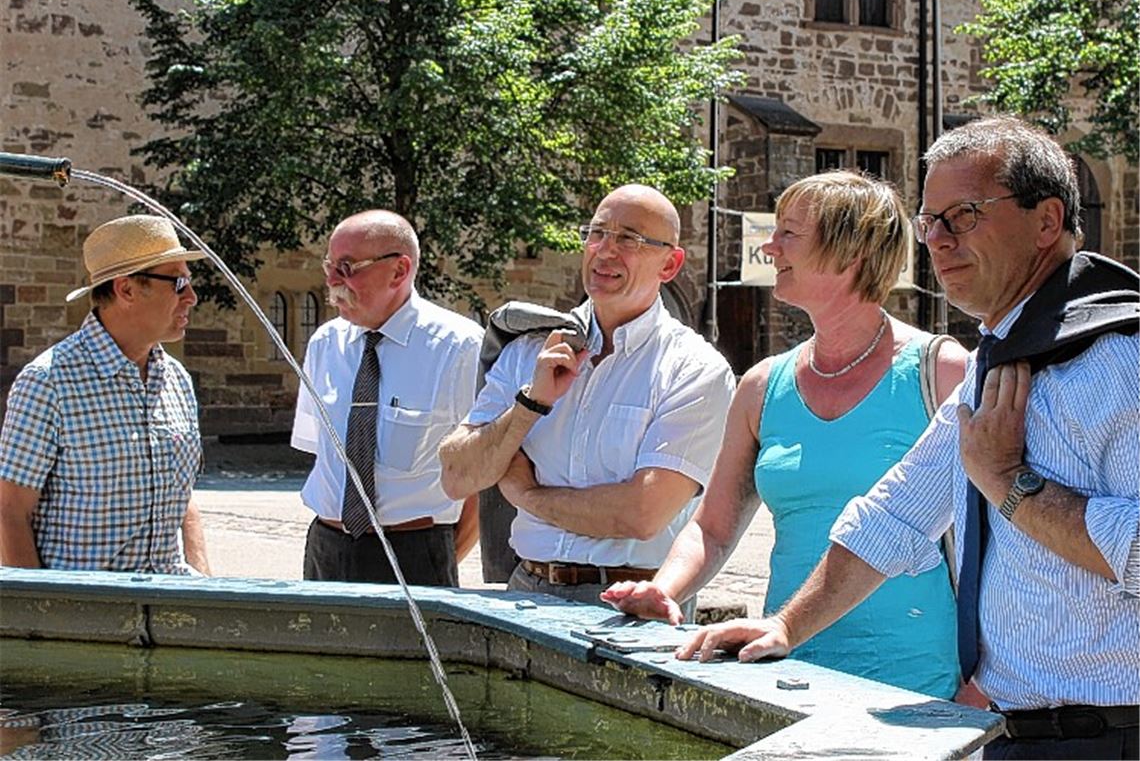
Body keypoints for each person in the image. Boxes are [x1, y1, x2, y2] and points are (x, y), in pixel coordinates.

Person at [673, 118, 1139, 760]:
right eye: (930, 221)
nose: (939, 241)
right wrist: (784, 625)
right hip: (1017, 737)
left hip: (1112, 738)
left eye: (965, 215)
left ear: (1046, 219)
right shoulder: (999, 358)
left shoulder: (1122, 361)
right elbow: (894, 516)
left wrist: (1010, 486)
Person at [604, 171, 968, 698]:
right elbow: (713, 528)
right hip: (786, 671)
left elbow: (999, 543)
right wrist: (664, 590)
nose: (770, 247)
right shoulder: (761, 385)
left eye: (789, 234)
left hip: (919, 687)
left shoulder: (942, 372)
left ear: (852, 251)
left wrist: (982, 685)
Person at [439, 184, 735, 611]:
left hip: (633, 606)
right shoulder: (529, 350)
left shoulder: (694, 369)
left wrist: (526, 495)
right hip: (527, 590)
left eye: (629, 239)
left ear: (669, 264)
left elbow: (641, 514)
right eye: (597, 233)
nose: (605, 250)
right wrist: (529, 405)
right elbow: (456, 476)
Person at [0, 214, 210, 575]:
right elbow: (9, 512)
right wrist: (45, 616)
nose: (191, 297)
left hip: (172, 607)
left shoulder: (176, 379)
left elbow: (182, 495)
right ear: (126, 289)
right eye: (178, 283)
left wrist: (205, 584)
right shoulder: (48, 382)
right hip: (87, 616)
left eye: (189, 282)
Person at [292, 210, 483, 586]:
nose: (332, 282)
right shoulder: (325, 344)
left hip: (414, 552)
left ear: (399, 271)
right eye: (329, 266)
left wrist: (436, 561)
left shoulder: (460, 348)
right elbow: (323, 457)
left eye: (347, 268)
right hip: (326, 550)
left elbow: (483, 477)